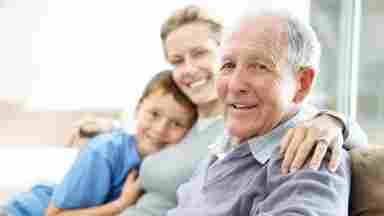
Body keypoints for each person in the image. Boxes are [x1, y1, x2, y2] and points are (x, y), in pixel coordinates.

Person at [117, 5, 367, 216]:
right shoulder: (225, 137)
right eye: (228, 65)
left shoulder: (306, 157)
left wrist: (336, 122)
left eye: (259, 66)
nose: (235, 84)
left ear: (301, 84)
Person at [1, 70, 197, 216]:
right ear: (138, 108)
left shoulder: (168, 164)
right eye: (154, 114)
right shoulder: (103, 151)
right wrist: (120, 205)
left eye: (177, 123)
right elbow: (53, 215)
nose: (161, 128)